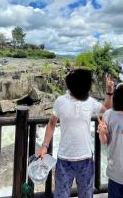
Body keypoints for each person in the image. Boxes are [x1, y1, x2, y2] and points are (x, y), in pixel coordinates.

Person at [37, 69, 114, 198]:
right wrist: (44, 146)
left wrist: (109, 92)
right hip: (63, 160)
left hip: (85, 159)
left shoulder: (89, 101)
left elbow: (107, 110)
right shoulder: (60, 101)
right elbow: (51, 124)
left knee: (86, 195)